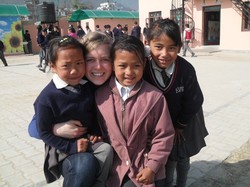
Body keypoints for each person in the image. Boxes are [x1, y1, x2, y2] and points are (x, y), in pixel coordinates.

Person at [29, 32, 114, 186]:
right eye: (90, 60)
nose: (74, 70)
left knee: (106, 151)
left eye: (105, 59)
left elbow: (91, 114)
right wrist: (56, 129)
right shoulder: (50, 96)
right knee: (85, 163)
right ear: (53, 66)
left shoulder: (88, 86)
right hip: (63, 147)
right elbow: (36, 128)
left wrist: (95, 133)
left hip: (89, 142)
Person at [95, 35, 175, 187]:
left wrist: (152, 166)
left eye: (136, 66)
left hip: (144, 166)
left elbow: (164, 136)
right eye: (122, 66)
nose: (129, 72)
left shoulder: (155, 97)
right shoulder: (100, 96)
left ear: (144, 64)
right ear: (112, 65)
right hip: (114, 166)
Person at [144, 18, 208, 187]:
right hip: (158, 127)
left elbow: (195, 99)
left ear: (179, 48)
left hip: (183, 122)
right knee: (169, 159)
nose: (164, 54)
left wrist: (180, 125)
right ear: (148, 43)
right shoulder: (142, 68)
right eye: (158, 47)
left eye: (171, 48)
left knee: (183, 156)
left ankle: (181, 184)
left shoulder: (186, 69)